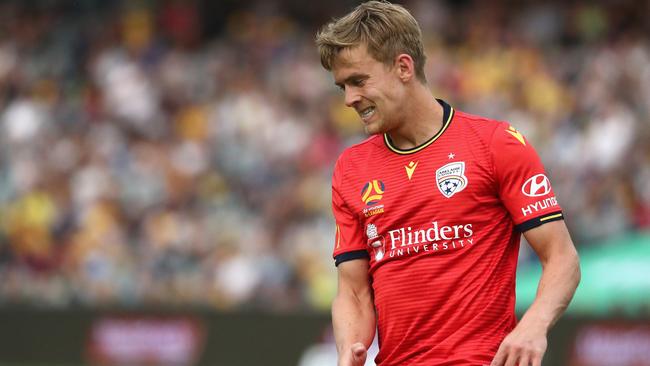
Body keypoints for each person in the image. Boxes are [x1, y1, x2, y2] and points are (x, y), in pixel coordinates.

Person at [315, 1, 581, 365]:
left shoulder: (496, 144)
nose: (349, 99)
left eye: (359, 81)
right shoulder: (351, 167)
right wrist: (348, 346)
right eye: (342, 86)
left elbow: (563, 258)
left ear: (403, 67)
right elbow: (353, 291)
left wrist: (533, 325)